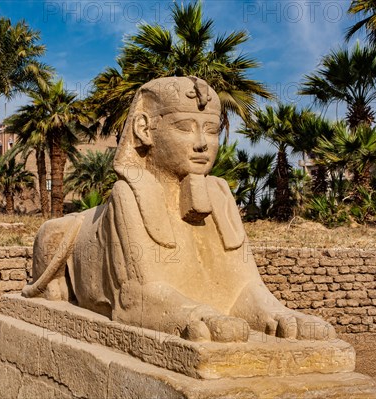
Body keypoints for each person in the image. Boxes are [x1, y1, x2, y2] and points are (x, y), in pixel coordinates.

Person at [24, 76, 335, 342]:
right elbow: (136, 299)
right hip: (93, 254)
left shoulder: (220, 194)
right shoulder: (129, 195)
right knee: (54, 231)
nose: (203, 144)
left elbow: (244, 286)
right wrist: (194, 314)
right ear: (145, 129)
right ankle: (56, 281)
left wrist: (275, 313)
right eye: (185, 127)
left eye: (211, 130)